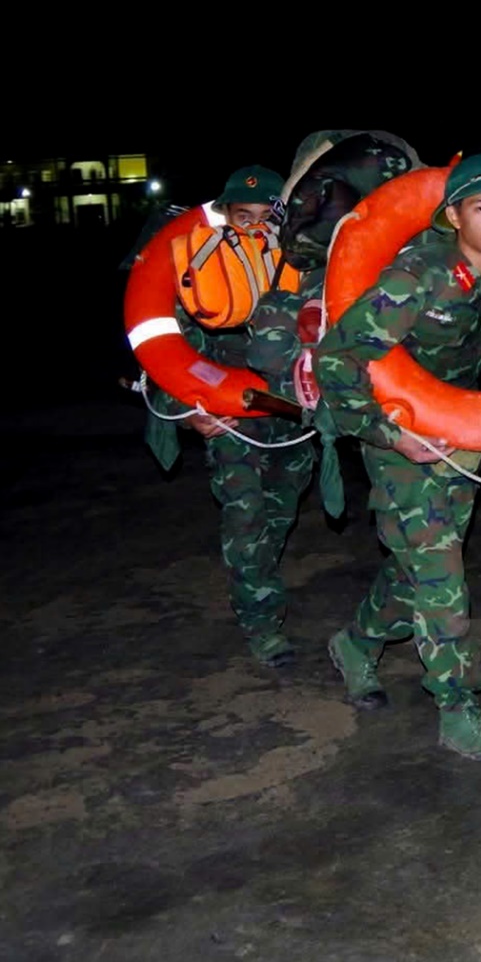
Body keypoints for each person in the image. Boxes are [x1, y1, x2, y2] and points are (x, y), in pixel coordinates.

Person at [315, 154, 481, 760]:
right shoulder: (419, 276)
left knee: (417, 568)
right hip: (398, 432)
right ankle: (458, 710)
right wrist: (387, 433)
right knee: (442, 579)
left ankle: (357, 643)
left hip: (461, 430)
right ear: (455, 218)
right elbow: (336, 359)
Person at [143, 166, 315, 668]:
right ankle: (261, 622)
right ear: (225, 217)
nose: (256, 228)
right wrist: (187, 413)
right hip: (228, 419)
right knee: (246, 516)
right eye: (245, 217)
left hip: (288, 415)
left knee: (281, 512)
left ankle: (259, 581)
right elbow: (166, 356)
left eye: (266, 218)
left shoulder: (299, 269)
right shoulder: (200, 275)